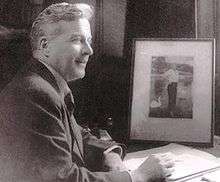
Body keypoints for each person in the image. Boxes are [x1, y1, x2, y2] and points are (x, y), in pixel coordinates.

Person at [0, 3, 173, 182]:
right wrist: (136, 176)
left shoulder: (44, 83)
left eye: (88, 41)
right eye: (77, 39)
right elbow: (63, 179)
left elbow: (75, 134)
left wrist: (109, 152)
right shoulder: (36, 94)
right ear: (45, 45)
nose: (89, 50)